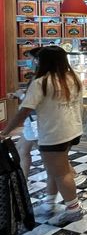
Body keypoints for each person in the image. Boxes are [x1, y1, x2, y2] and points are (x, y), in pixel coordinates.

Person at [2, 46, 84, 226]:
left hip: (53, 133)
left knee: (61, 173)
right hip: (72, 130)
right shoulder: (73, 78)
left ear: (43, 61)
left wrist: (5, 131)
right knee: (55, 170)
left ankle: (73, 209)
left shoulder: (41, 82)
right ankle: (49, 203)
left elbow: (24, 111)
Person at [8, 47, 42, 180]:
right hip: (33, 119)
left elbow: (34, 102)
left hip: (34, 119)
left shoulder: (39, 79)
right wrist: (18, 95)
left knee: (46, 154)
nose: (29, 61)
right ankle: (23, 181)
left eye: (30, 58)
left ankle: (70, 174)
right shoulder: (39, 77)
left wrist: (21, 95)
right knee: (21, 149)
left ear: (37, 60)